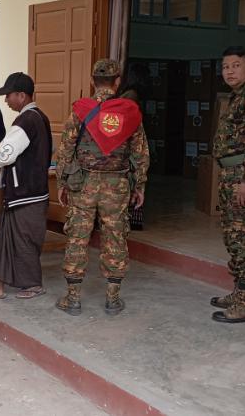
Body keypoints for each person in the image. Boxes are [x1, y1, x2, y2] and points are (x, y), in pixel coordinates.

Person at [55, 59, 149, 316]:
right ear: (117, 82)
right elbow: (140, 153)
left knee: (77, 237)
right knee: (115, 236)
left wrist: (62, 183)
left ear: (92, 82)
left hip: (83, 184)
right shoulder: (129, 112)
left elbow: (65, 150)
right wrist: (140, 185)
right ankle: (112, 299)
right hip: (116, 185)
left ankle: (73, 298)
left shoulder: (80, 110)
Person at [0, 73, 52, 300]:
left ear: (21, 96)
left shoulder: (26, 122)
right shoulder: (39, 117)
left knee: (23, 241)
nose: (5, 100)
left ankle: (33, 284)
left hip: (26, 193)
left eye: (9, 95)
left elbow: (6, 155)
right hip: (28, 191)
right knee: (7, 239)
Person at [210, 46, 245, 324]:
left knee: (243, 241)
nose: (229, 71)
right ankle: (239, 293)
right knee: (232, 237)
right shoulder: (237, 95)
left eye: (236, 65)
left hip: (241, 176)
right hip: (231, 175)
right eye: (225, 66)